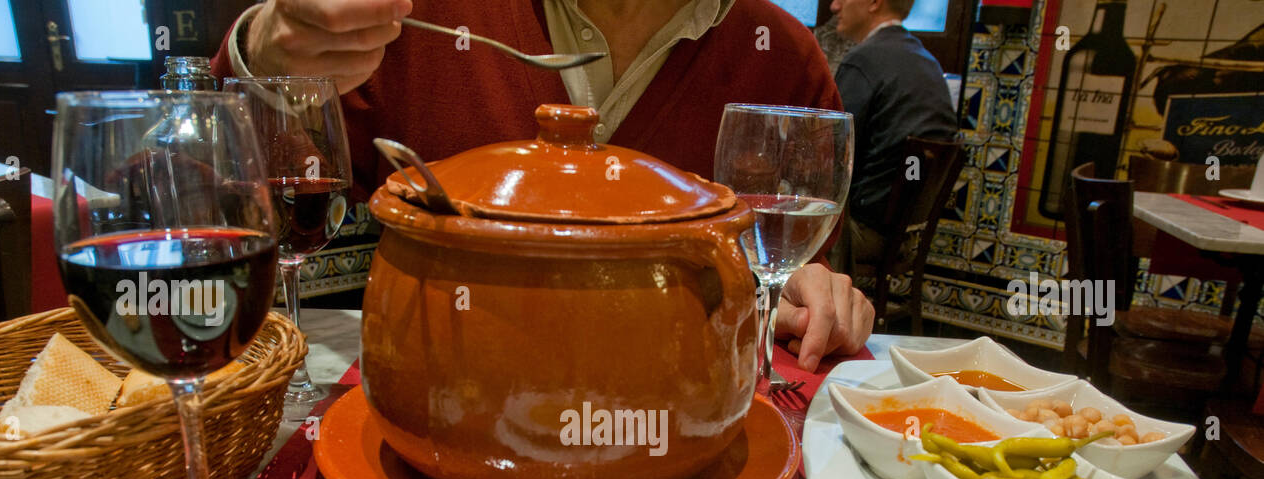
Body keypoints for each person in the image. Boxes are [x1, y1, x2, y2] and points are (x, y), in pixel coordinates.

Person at [211, 0, 874, 366]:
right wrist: (262, 58)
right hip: (441, 412)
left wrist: (800, 285)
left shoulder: (783, 62)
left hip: (681, 443)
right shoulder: (412, 16)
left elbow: (782, 268)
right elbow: (212, 195)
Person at [828, 0, 958, 268]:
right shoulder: (926, 60)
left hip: (862, 235)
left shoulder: (863, 60)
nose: (834, 6)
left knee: (759, 224)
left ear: (875, 3)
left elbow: (828, 154)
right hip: (910, 235)